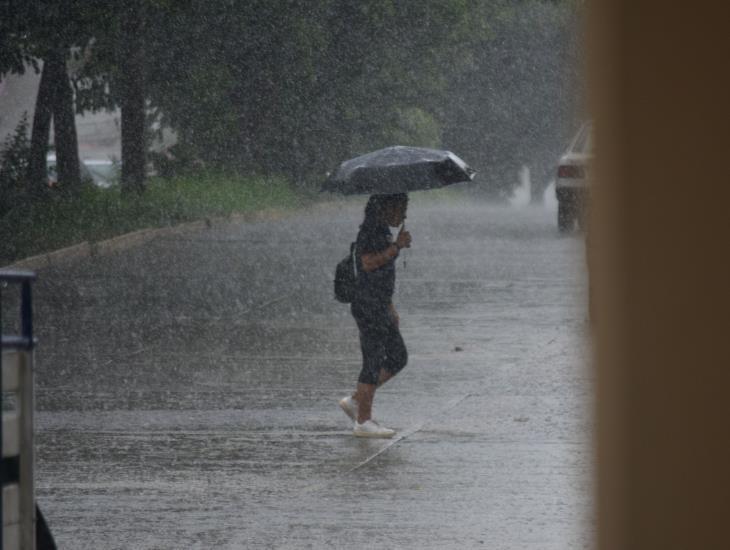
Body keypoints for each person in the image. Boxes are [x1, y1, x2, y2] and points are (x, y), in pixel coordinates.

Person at [339, 193, 412, 437]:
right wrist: (396, 247)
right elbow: (368, 263)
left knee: (398, 356)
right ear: (387, 207)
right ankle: (363, 421)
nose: (404, 214)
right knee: (373, 360)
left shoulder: (382, 231)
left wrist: (390, 307)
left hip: (380, 304)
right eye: (401, 207)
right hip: (368, 305)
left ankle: (357, 400)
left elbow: (380, 275)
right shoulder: (371, 230)